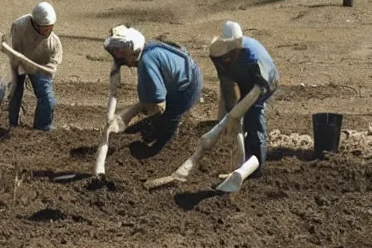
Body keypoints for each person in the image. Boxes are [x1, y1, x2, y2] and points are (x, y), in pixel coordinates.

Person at [103, 25, 203, 153]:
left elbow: (159, 106)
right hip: (186, 76)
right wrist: (124, 118)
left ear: (132, 49)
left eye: (121, 51)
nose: (119, 56)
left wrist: (150, 122)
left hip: (186, 89)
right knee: (150, 104)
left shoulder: (147, 63)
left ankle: (167, 147)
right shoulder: (149, 49)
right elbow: (149, 96)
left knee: (159, 130)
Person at [208, 21, 279, 175]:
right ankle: (240, 154)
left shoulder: (252, 56)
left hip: (264, 82)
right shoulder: (220, 54)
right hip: (243, 79)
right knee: (234, 113)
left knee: (253, 114)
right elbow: (226, 84)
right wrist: (225, 117)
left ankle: (255, 161)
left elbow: (258, 88)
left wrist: (236, 115)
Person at [7, 2, 63, 130]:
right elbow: (10, 47)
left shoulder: (54, 44)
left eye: (50, 27)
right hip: (18, 63)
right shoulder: (19, 26)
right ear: (35, 24)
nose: (48, 30)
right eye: (45, 27)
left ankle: (42, 128)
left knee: (48, 99)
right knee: (15, 92)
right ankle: (11, 125)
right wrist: (17, 63)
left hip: (40, 67)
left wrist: (40, 68)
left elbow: (51, 67)